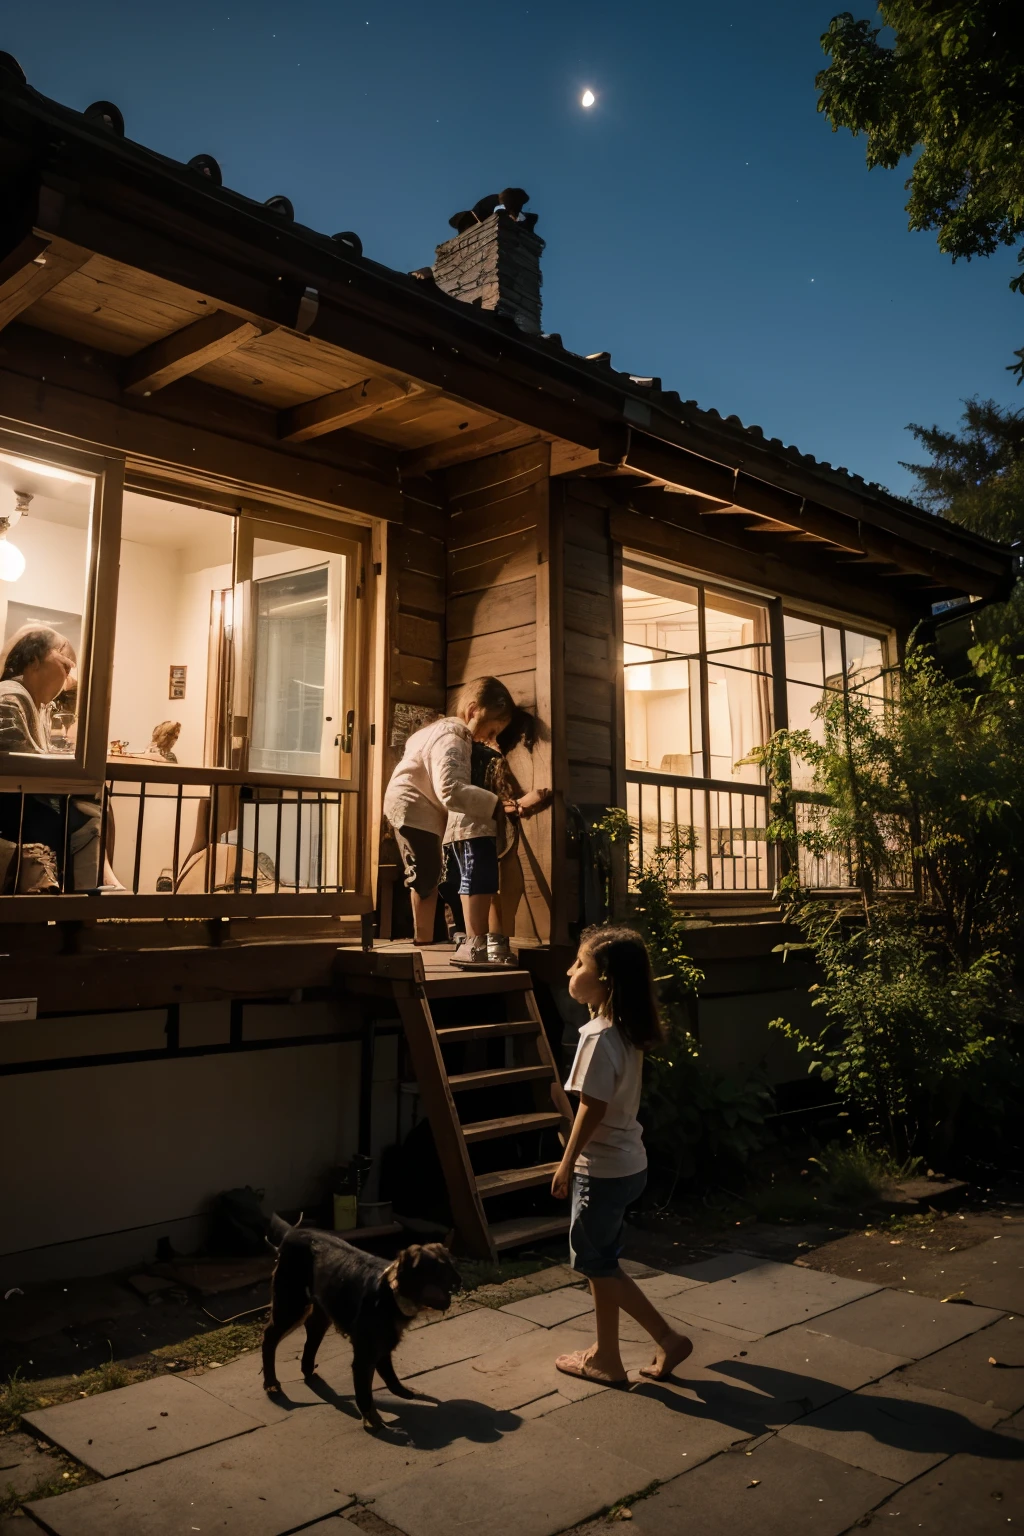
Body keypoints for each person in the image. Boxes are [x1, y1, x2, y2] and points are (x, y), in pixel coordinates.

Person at [551, 925, 693, 1385]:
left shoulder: (597, 1036)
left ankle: (638, 1347)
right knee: (603, 1263)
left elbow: (592, 1108)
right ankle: (625, 1350)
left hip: (604, 1169)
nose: (571, 971)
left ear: (605, 979)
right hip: (630, 1162)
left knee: (594, 1264)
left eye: (580, 964)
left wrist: (567, 1162)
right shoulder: (625, 1030)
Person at [382, 676, 515, 946]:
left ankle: (428, 938)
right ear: (474, 710)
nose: (491, 738)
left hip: (410, 806)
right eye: (491, 730)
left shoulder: (434, 731)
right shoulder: (452, 736)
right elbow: (451, 789)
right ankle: (423, 941)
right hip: (414, 807)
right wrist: (498, 805)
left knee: (428, 873)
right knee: (426, 875)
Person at [0, 626, 120, 893]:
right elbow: (13, 762)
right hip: (12, 810)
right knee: (89, 800)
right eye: (65, 664)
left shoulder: (30, 701)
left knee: (93, 795)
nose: (68, 676)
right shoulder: (9, 697)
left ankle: (97, 878)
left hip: (21, 805)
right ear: (33, 661)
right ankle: (95, 882)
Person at [440, 706, 551, 968]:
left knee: (480, 885)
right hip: (476, 828)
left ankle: (481, 942)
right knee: (480, 885)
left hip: (468, 828)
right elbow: (495, 796)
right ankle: (478, 942)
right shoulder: (479, 753)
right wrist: (520, 804)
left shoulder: (471, 750)